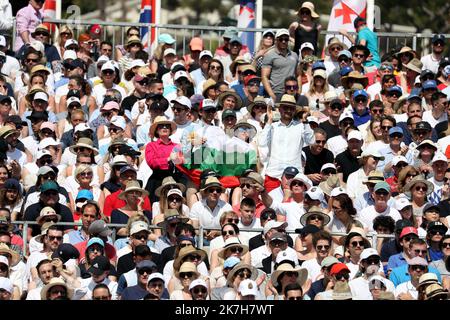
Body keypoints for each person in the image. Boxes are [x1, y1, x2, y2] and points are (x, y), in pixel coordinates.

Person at [261, 30, 299, 102]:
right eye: (281, 39)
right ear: (276, 40)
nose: (283, 41)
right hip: (276, 92)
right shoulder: (269, 55)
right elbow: (264, 76)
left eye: (286, 39)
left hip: (292, 92)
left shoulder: (294, 55)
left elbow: (298, 74)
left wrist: (299, 90)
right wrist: (271, 94)